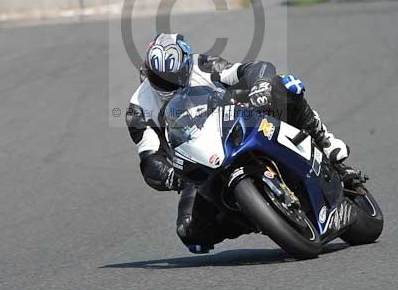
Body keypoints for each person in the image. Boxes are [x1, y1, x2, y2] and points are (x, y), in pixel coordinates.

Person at [125, 32, 361, 254]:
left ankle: (325, 141)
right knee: (191, 233)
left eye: (175, 77)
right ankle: (256, 216)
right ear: (147, 69)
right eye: (160, 78)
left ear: (186, 65)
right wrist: (169, 175)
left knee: (284, 86)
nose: (169, 84)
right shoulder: (138, 109)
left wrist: (261, 85)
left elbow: (252, 69)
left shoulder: (204, 65)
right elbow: (149, 158)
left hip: (238, 122)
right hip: (198, 161)